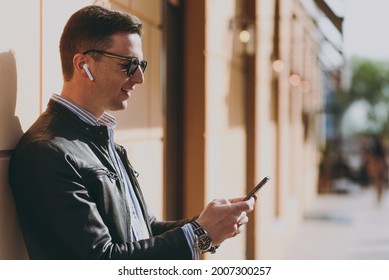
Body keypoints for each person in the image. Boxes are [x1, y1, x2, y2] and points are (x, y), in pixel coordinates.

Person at [8, 5, 256, 260]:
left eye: (141, 65)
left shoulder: (104, 142)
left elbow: (143, 232)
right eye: (128, 64)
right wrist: (200, 233)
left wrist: (209, 226)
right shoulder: (48, 153)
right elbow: (100, 261)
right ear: (84, 64)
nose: (139, 78)